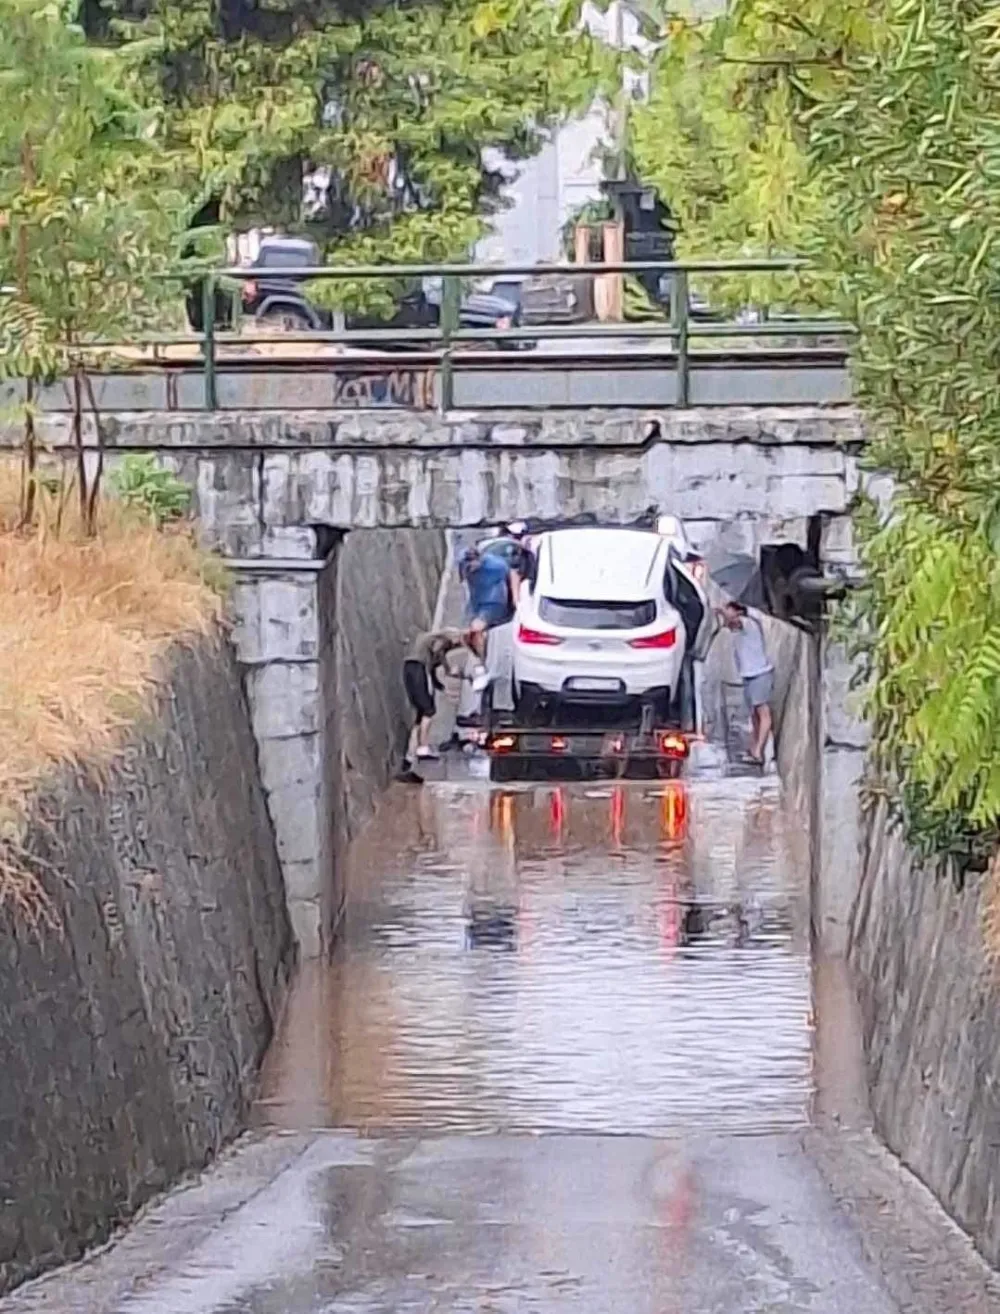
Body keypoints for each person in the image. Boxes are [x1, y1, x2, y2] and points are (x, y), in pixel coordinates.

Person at [399, 627, 468, 783]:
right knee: (429, 710)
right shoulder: (442, 641)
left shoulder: (430, 641)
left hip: (409, 668)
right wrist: (449, 670)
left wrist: (442, 685)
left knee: (420, 714)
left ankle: (410, 756)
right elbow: (437, 655)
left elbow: (435, 666)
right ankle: (423, 748)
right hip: (417, 669)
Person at [719, 600, 774, 766]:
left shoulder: (748, 624)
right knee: (754, 714)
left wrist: (729, 611)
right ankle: (755, 748)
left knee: (763, 712)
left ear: (737, 612)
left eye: (728, 612)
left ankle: (758, 751)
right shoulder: (735, 630)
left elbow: (746, 616)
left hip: (760, 673)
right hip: (749, 675)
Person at [458, 543, 516, 628]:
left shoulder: (496, 567)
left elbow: (512, 573)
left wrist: (514, 597)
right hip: (476, 603)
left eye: (469, 567)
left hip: (493, 606)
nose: (469, 571)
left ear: (478, 559)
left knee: (476, 626)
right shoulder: (469, 569)